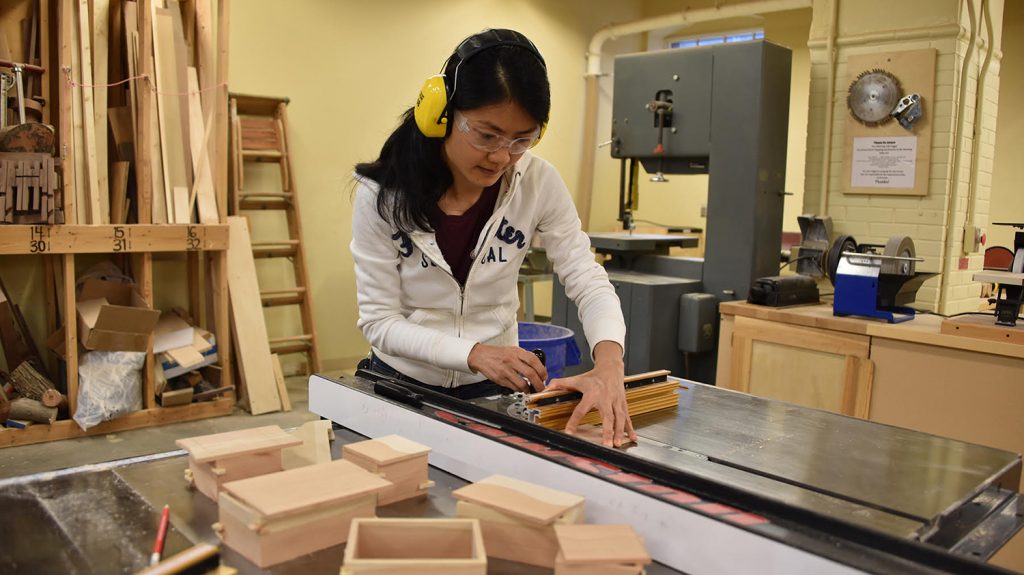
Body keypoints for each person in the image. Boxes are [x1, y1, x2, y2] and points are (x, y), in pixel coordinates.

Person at [351, 29, 635, 447]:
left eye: (523, 139)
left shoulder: (539, 183)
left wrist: (610, 361)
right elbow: (380, 322)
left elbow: (585, 278)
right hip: (402, 382)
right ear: (441, 114)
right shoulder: (382, 195)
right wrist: (474, 354)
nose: (502, 157)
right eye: (486, 135)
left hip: (495, 391)